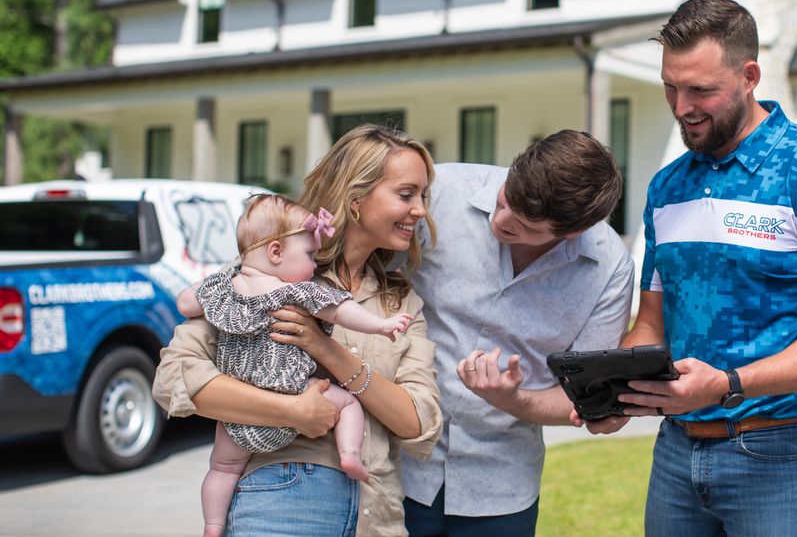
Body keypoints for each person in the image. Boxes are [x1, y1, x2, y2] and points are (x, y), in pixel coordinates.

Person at [590, 0, 797, 536]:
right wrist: (614, 393)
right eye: (670, 87)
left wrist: (728, 383)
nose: (681, 107)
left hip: (784, 457)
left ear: (749, 75)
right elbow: (653, 324)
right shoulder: (666, 187)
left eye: (701, 90)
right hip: (677, 456)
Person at [153, 125, 443, 537]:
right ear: (355, 199)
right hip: (283, 497)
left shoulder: (399, 302)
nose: (420, 210)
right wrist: (293, 412)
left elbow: (419, 422)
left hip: (377, 513)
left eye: (423, 196)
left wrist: (326, 349)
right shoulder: (269, 273)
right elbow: (175, 379)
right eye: (406, 194)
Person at [401, 129, 635, 536]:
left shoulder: (610, 269)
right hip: (393, 463)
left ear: (572, 232)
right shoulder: (438, 192)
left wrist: (513, 399)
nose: (501, 221)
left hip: (500, 486)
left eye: (525, 224)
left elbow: (580, 400)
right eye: (504, 200)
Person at [175, 193, 413, 537]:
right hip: (292, 389)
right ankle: (349, 455)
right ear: (276, 253)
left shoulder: (224, 289)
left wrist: (207, 286)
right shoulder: (295, 291)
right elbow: (341, 309)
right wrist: (380, 325)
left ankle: (213, 524)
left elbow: (186, 303)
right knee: (347, 403)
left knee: (222, 469)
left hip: (239, 411)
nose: (315, 264)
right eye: (310, 254)